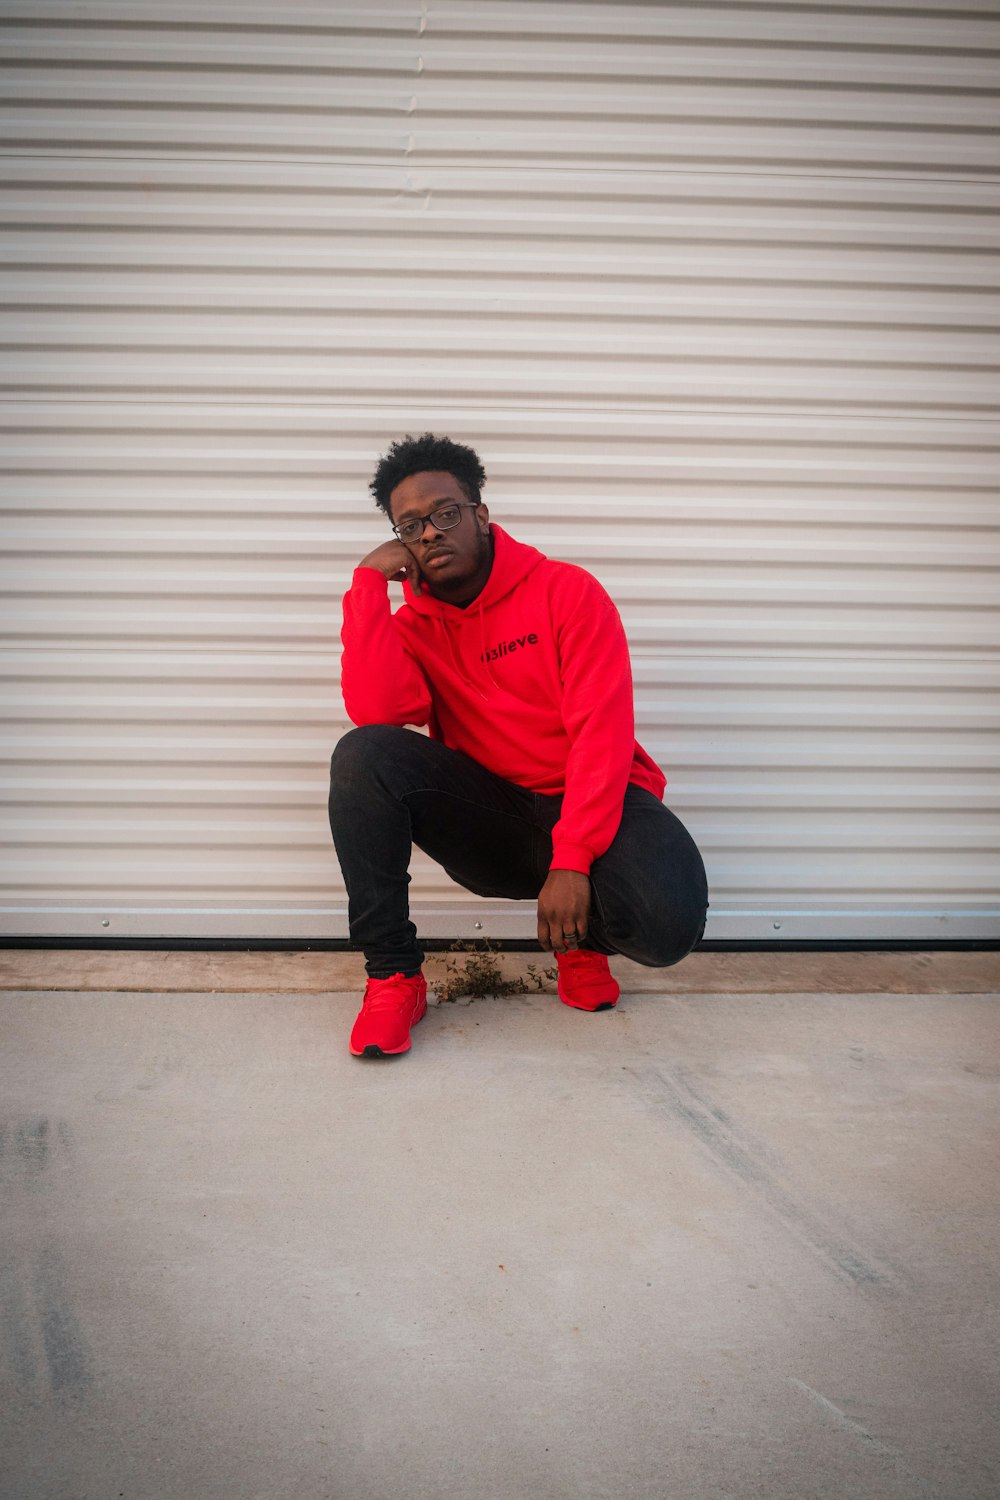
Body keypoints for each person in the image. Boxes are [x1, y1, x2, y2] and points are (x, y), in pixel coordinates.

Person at [329, 433, 708, 1058]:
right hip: (499, 815)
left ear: (481, 514)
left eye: (445, 514)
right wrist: (369, 584)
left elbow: (601, 735)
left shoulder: (566, 591)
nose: (429, 533)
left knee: (667, 926)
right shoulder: (412, 628)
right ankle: (393, 976)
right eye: (411, 525)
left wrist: (574, 859)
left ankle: (580, 945)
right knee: (363, 755)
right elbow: (381, 713)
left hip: (596, 802)